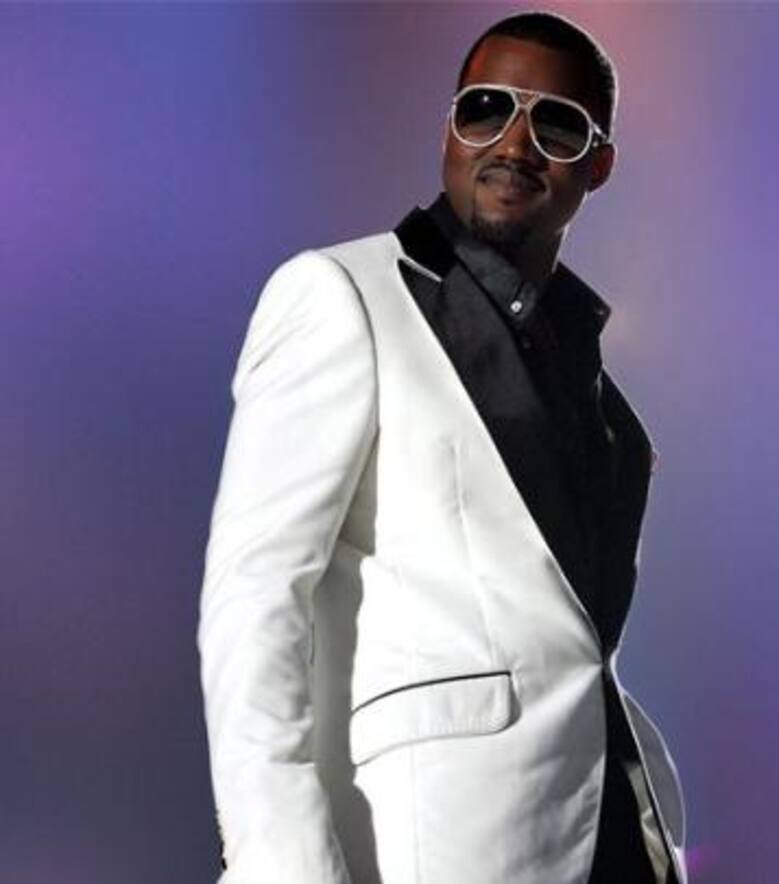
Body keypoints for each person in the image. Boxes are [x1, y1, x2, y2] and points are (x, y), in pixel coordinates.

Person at [196, 10, 687, 884]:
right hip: (434, 843)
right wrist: (279, 858)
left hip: (604, 836)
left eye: (557, 124)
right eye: (486, 108)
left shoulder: (605, 402)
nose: (515, 143)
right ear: (449, 130)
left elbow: (571, 644)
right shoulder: (340, 296)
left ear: (599, 164)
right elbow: (255, 595)